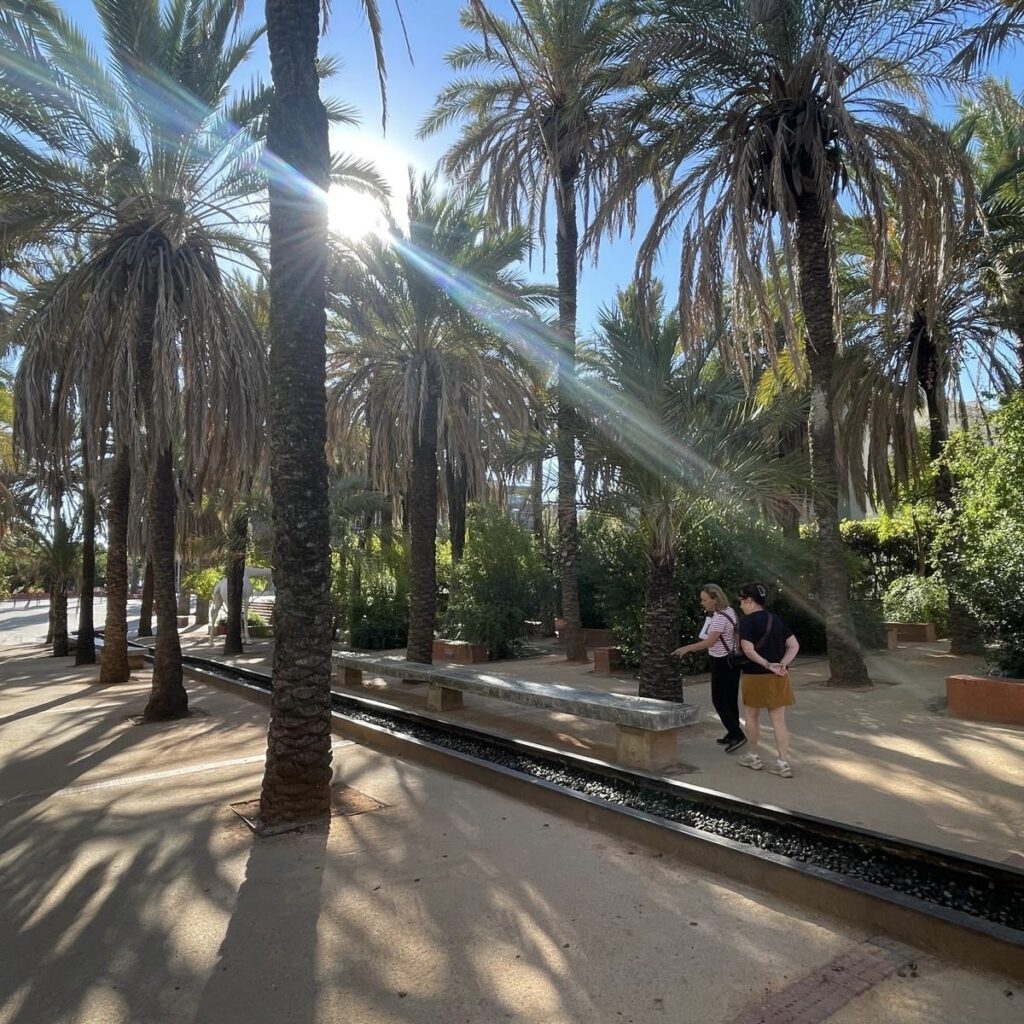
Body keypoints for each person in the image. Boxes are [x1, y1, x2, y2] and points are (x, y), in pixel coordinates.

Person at [734, 582, 800, 778]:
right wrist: (781, 664)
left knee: (751, 717)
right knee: (779, 720)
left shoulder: (747, 622)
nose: (740, 606)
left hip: (755, 676)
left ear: (750, 601)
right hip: (779, 677)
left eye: (742, 602)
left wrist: (766, 664)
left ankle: (753, 756)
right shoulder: (776, 619)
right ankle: (782, 762)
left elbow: (747, 649)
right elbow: (794, 645)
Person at [672, 584, 745, 753]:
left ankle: (737, 734)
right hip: (733, 660)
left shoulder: (719, 618)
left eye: (704, 600)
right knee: (730, 699)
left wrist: (686, 648)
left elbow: (709, 642)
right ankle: (733, 732)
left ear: (715, 599)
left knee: (719, 700)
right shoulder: (730, 611)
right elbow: (735, 634)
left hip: (721, 662)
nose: (702, 603)